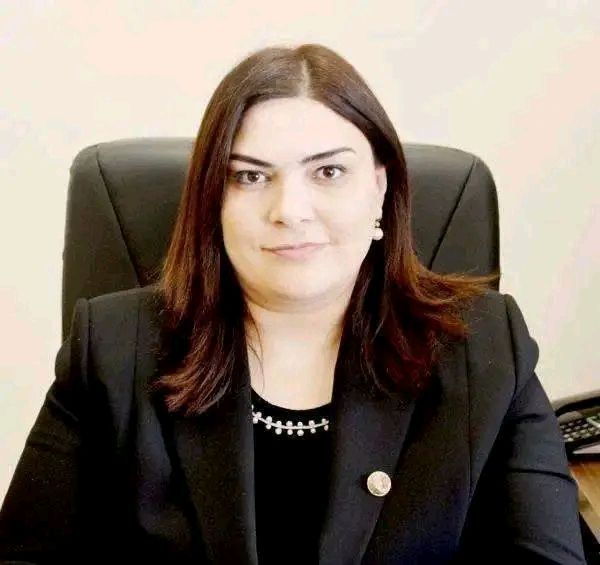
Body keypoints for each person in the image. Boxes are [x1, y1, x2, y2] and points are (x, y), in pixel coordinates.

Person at [0, 43, 586, 564]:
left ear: (380, 187)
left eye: (328, 171)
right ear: (212, 199)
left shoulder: (486, 350)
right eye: (251, 178)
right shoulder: (109, 349)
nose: (290, 210)